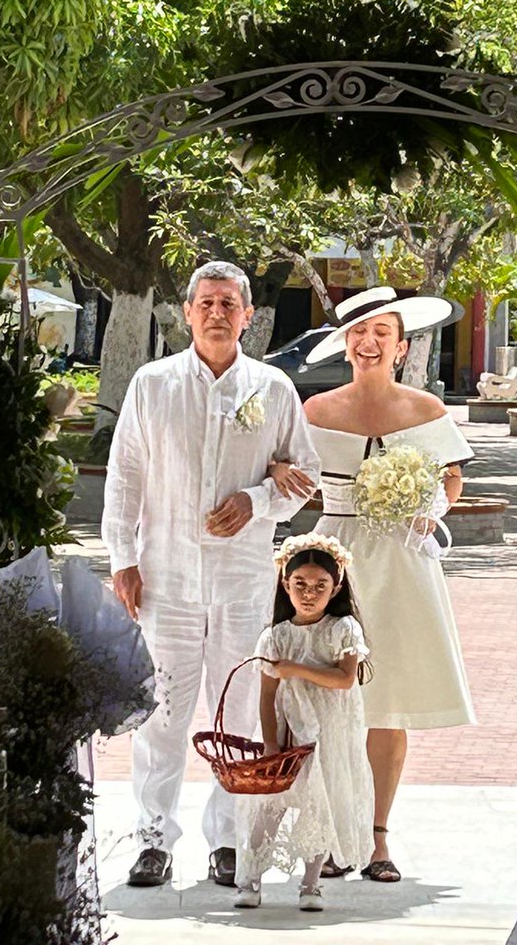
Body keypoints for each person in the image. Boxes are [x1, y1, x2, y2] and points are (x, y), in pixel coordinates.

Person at [102, 260, 321, 889]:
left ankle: (228, 841)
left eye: (230, 303)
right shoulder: (153, 383)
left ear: (248, 316)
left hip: (240, 580)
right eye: (207, 302)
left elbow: (302, 476)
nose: (218, 312)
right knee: (162, 713)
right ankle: (152, 839)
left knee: (238, 714)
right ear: (188, 313)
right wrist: (122, 559)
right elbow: (125, 479)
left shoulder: (274, 389)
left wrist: (256, 501)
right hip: (165, 576)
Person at [270, 286, 475, 883]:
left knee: (388, 704)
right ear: (344, 344)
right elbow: (292, 477)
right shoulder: (314, 410)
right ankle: (339, 836)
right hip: (336, 560)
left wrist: (429, 508)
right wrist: (280, 473)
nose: (369, 342)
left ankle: (378, 840)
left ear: (400, 345)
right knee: (334, 702)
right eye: (358, 334)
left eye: (381, 333)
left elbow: (450, 479)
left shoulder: (427, 410)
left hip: (404, 564)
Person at [234, 534, 374, 912]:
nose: (309, 594)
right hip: (287, 730)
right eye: (300, 585)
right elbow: (266, 695)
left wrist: (296, 669)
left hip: (326, 732)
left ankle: (311, 883)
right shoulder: (275, 637)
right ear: (285, 584)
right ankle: (250, 877)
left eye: (319, 586)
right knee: (271, 806)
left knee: (318, 803)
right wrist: (270, 743)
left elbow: (344, 679)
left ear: (336, 587)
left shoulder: (343, 630)